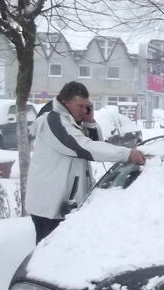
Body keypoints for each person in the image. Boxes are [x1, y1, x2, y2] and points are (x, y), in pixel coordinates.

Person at [26, 81, 146, 243]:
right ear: (65, 102)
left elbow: (95, 142)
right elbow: (82, 148)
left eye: (87, 106)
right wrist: (127, 153)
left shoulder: (70, 120)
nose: (84, 110)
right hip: (49, 208)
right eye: (80, 106)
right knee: (49, 257)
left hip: (64, 204)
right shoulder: (53, 121)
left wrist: (89, 121)